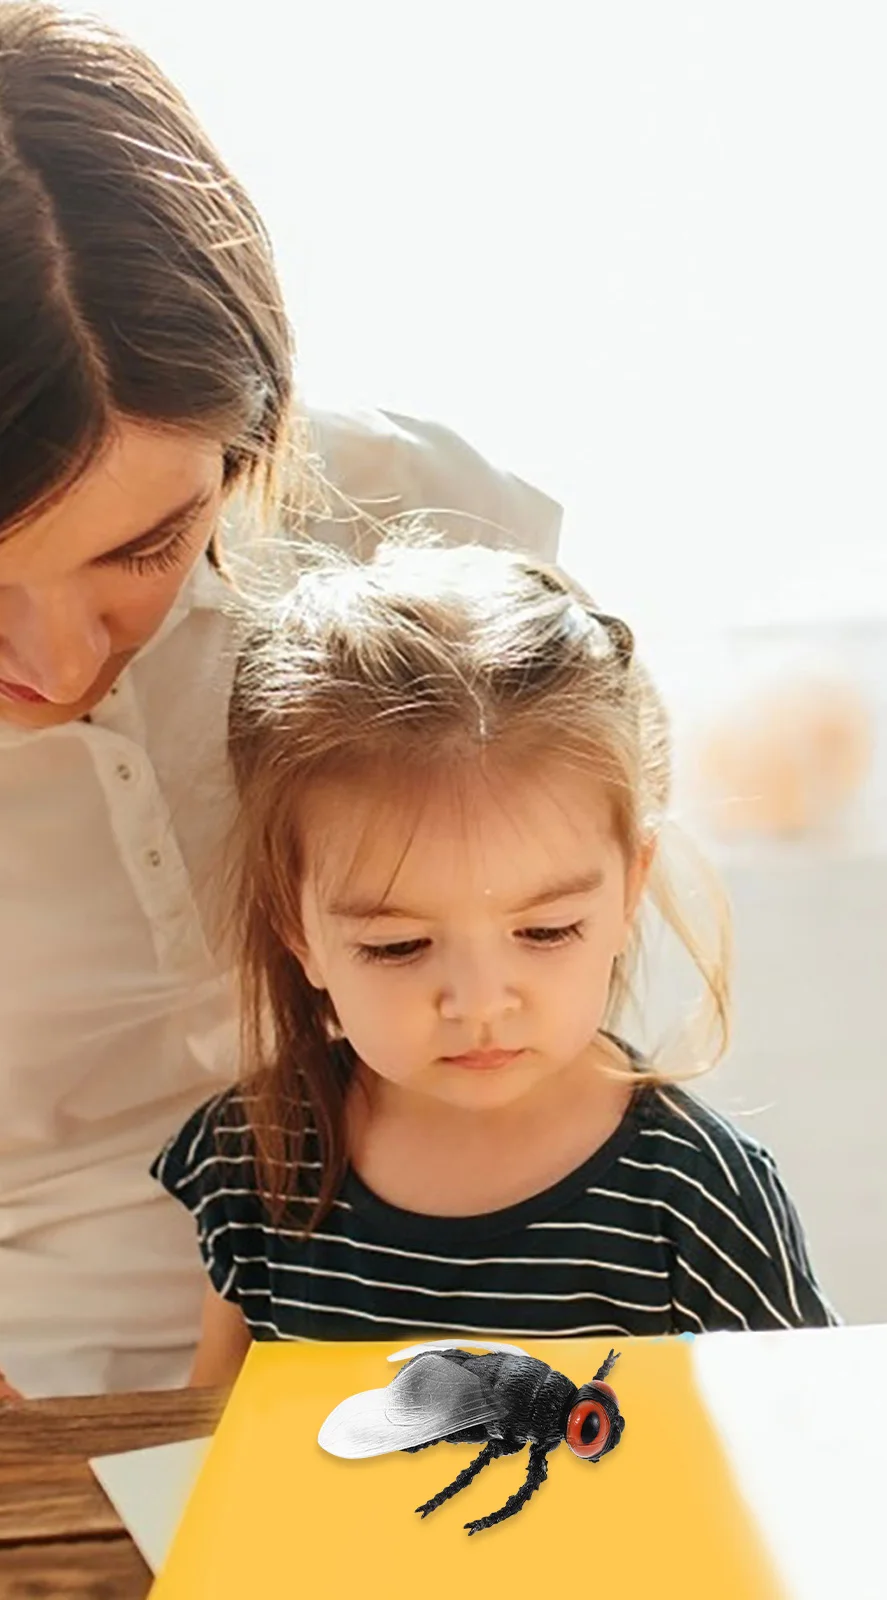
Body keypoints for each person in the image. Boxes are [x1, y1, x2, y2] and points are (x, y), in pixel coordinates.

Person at [0, 3, 562, 1397]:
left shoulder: (417, 528)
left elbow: (577, 963)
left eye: (144, 548)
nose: (63, 663)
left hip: (437, 1352)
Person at [152, 539, 835, 1386]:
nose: (479, 1003)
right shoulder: (260, 1153)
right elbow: (204, 1441)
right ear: (296, 928)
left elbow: (804, 1450)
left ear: (630, 893)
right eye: (398, 946)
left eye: (545, 931)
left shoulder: (695, 1195)